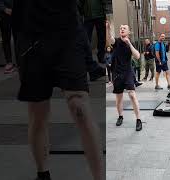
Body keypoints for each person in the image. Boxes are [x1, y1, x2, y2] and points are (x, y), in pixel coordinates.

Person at [12, 1, 102, 180]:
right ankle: (43, 173)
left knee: (79, 106)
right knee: (38, 112)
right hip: (32, 37)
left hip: (68, 35)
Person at [106, 21, 143, 131]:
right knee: (119, 97)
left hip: (128, 72)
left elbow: (137, 56)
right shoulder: (116, 41)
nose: (122, 29)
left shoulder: (130, 42)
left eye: (124, 28)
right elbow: (110, 39)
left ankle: (138, 120)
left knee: (132, 94)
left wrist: (129, 44)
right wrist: (107, 29)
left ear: (128, 32)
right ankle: (120, 116)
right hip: (117, 73)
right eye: (121, 28)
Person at [77, 0, 105, 81]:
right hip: (88, 16)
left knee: (101, 37)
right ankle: (91, 68)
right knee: (86, 40)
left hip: (99, 14)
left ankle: (100, 57)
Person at [0, 0, 15, 73]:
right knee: (6, 39)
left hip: (17, 12)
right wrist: (4, 8)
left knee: (19, 38)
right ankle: (9, 62)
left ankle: (21, 62)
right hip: (3, 14)